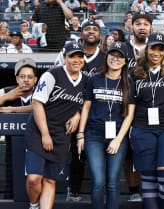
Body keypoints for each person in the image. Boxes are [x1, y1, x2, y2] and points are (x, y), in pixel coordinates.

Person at [24, 41, 86, 209]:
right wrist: (45, 134)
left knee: (50, 180)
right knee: (34, 178)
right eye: (72, 56)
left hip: (61, 135)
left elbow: (84, 104)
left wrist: (77, 115)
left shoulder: (85, 80)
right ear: (64, 57)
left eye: (80, 56)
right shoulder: (52, 74)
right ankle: (34, 204)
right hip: (39, 132)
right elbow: (37, 103)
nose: (76, 60)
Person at [76, 41, 133, 209]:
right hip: (94, 134)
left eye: (119, 56)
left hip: (118, 135)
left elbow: (130, 115)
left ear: (125, 61)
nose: (115, 59)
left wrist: (117, 140)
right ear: (107, 56)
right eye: (112, 54)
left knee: (113, 182)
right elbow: (86, 108)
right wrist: (81, 134)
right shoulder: (94, 79)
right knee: (98, 181)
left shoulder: (129, 83)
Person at [130, 32, 164, 209]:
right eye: (153, 48)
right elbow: (130, 102)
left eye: (161, 49)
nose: (156, 53)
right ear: (146, 49)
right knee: (148, 176)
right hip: (143, 127)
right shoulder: (135, 72)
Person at [55, 20, 106, 202]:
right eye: (87, 29)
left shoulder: (106, 56)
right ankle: (73, 191)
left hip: (100, 114)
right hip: (72, 113)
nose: (91, 32)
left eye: (95, 29)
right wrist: (77, 112)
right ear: (81, 33)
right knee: (77, 154)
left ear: (100, 34)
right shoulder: (68, 55)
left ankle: (102, 193)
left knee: (103, 155)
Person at [123, 11, 153, 202]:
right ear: (131, 26)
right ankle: (134, 190)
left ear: (151, 27)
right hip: (123, 106)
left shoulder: (156, 48)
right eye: (138, 23)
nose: (142, 26)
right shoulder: (122, 48)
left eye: (146, 24)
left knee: (147, 150)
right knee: (127, 153)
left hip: (148, 107)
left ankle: (149, 190)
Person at [0, 58, 37, 200]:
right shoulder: (6, 91)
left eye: (29, 77)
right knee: (12, 180)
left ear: (35, 79)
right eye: (22, 77)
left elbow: (43, 108)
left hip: (37, 147)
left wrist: (13, 110)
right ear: (16, 78)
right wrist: (7, 97)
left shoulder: (42, 91)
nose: (26, 80)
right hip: (12, 148)